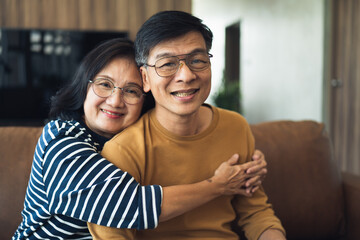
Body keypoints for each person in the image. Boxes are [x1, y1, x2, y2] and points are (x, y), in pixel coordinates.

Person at [12, 38, 268, 239]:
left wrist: (246, 168)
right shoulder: (62, 138)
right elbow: (129, 204)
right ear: (84, 87)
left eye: (131, 91)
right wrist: (218, 185)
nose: (115, 101)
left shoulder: (135, 143)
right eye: (104, 84)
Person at [88, 11, 286, 240]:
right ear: (145, 79)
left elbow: (256, 213)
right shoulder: (124, 149)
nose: (186, 75)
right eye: (167, 64)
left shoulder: (236, 127)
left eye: (197, 61)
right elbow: (112, 234)